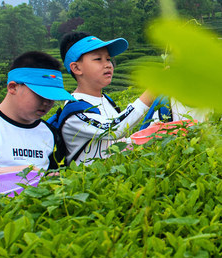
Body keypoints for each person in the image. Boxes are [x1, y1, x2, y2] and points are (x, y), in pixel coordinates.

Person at [58, 32, 156, 164]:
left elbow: (116, 145)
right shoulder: (75, 110)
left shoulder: (107, 100)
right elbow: (114, 130)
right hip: (87, 182)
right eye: (98, 59)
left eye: (108, 59)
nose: (108, 65)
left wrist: (153, 132)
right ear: (76, 67)